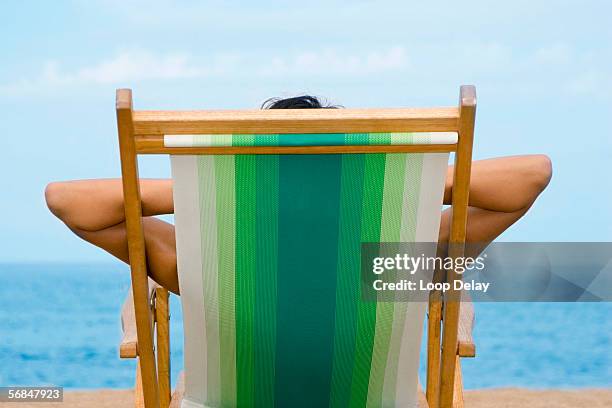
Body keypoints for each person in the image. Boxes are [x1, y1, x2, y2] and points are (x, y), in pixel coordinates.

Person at [45, 95, 552, 294]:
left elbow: (66, 200)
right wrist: (390, 182)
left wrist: (215, 187)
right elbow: (533, 175)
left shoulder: (206, 266)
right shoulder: (398, 265)